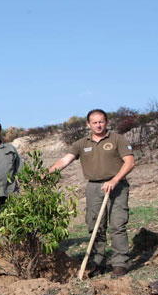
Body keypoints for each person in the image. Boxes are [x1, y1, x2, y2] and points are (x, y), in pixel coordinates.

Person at [49, 109, 135, 277]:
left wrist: (114, 180)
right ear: (88, 124)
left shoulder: (118, 139)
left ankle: (119, 263)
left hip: (116, 186)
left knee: (117, 225)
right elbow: (65, 160)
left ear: (107, 122)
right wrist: (46, 174)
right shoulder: (81, 143)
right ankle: (98, 262)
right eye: (94, 122)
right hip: (93, 188)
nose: (98, 125)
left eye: (101, 121)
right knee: (95, 226)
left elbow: (130, 162)